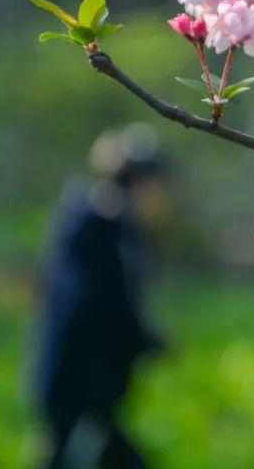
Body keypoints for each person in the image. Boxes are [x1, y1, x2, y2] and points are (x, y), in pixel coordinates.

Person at [34, 124, 168, 469]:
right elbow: (93, 304)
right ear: (140, 183)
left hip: (85, 383)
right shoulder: (100, 231)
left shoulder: (96, 223)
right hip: (81, 386)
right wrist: (141, 338)